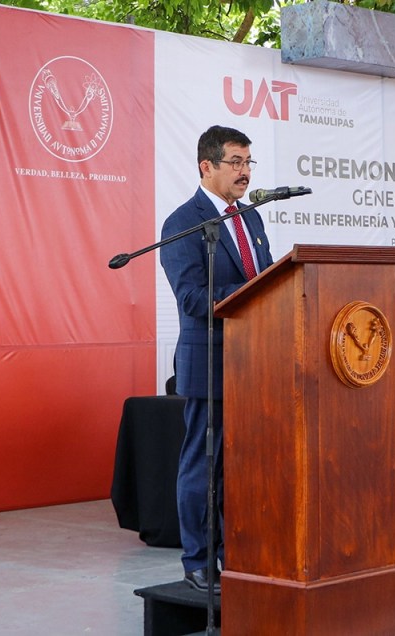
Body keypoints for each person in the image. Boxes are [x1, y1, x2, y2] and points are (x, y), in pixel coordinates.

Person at [160, 125, 273, 593]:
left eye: (248, 162)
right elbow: (191, 297)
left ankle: (240, 551)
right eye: (236, 162)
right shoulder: (183, 223)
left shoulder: (251, 218)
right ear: (207, 166)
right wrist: (252, 293)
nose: (245, 172)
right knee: (204, 465)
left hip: (255, 362)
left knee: (245, 465)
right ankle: (199, 559)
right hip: (211, 362)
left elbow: (267, 278)